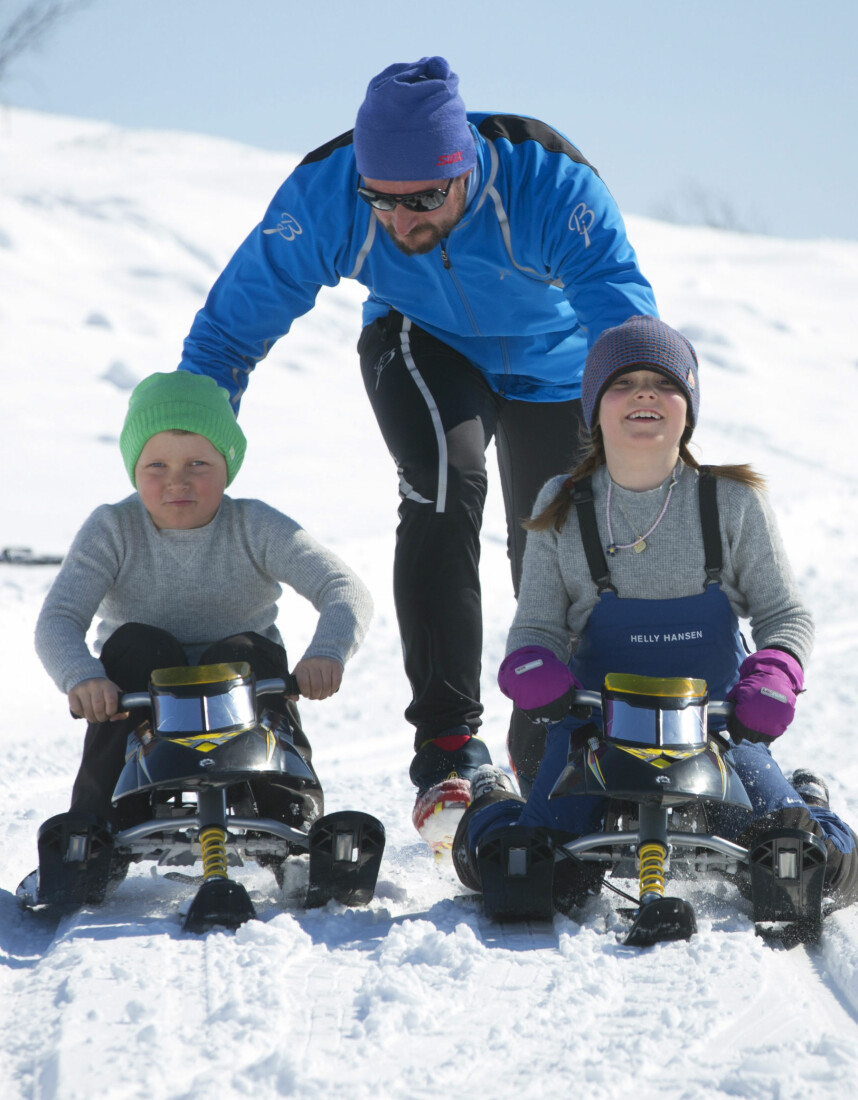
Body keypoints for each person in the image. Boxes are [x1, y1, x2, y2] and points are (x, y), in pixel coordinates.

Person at [175, 55, 658, 856]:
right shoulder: (330, 192)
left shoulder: (550, 181)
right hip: (424, 340)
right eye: (383, 203)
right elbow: (231, 329)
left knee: (554, 539)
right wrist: (184, 450)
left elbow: (625, 325)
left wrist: (649, 430)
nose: (400, 222)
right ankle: (445, 746)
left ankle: (559, 729)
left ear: (463, 167)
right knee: (443, 484)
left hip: (558, 365)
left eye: (426, 199)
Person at [453, 315, 858, 914]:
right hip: (596, 730)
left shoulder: (732, 502)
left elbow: (784, 613)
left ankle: (804, 795)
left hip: (716, 728)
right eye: (623, 383)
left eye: (662, 382)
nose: (644, 393)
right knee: (530, 865)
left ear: (687, 409)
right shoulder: (562, 505)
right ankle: (491, 796)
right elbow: (537, 621)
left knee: (800, 863)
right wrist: (533, 664)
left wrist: (773, 671)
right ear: (594, 409)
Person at [35, 371, 373, 830]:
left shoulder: (254, 524)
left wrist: (326, 653)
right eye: (157, 467)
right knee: (135, 645)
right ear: (134, 469)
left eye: (198, 465)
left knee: (244, 653)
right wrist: (84, 678)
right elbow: (58, 618)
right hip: (143, 698)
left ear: (227, 466)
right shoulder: (113, 528)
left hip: (244, 695)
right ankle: (97, 826)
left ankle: (290, 814)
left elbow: (343, 588)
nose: (178, 482)